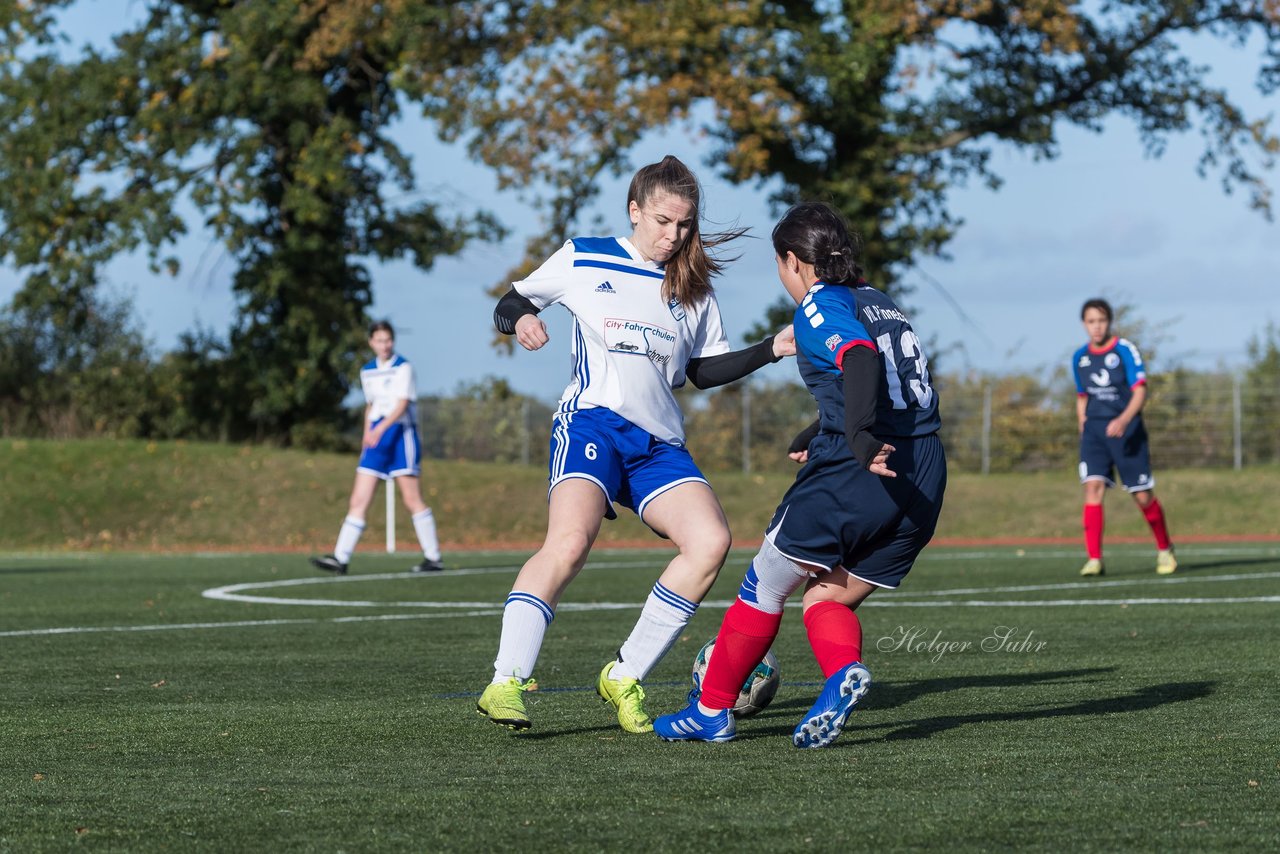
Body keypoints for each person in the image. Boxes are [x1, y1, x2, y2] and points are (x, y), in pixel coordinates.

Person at [477, 154, 796, 733]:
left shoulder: (693, 288)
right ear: (634, 211)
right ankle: (506, 681)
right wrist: (521, 321)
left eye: (683, 225)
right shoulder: (585, 255)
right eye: (661, 221)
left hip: (658, 444)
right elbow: (512, 300)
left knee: (710, 542)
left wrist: (770, 348)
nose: (672, 235)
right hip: (592, 423)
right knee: (570, 543)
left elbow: (700, 371)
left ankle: (624, 674)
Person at [653, 201, 946, 748]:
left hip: (862, 469)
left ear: (792, 260)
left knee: (765, 582)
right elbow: (890, 383)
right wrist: (821, 428)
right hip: (925, 473)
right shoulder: (880, 301)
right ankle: (841, 676)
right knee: (824, 600)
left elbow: (857, 358)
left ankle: (710, 710)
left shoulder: (818, 307)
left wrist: (853, 435)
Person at [310, 321, 445, 575]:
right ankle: (340, 558)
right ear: (371, 342)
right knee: (358, 499)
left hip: (400, 435)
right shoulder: (367, 371)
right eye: (380, 340)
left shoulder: (403, 368)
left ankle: (433, 557)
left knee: (411, 498)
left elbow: (402, 404)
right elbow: (370, 406)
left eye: (388, 340)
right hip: (375, 439)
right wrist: (367, 436)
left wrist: (380, 429)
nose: (385, 345)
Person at [1073, 298, 1176, 576]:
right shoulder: (1080, 357)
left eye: (1101, 320)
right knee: (1092, 488)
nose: (1097, 326)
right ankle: (1094, 558)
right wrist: (1083, 422)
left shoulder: (1125, 350)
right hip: (1095, 433)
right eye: (1091, 321)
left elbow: (1140, 390)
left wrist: (1124, 419)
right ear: (1084, 324)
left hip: (1126, 431)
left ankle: (1165, 549)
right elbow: (1082, 396)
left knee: (1142, 495)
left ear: (1110, 322)